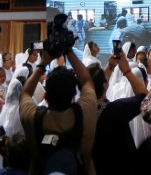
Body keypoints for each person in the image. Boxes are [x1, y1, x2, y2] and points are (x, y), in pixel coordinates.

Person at [18, 42, 96, 175]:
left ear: (45, 96)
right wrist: (69, 51)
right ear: (73, 97)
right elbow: (87, 81)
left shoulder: (32, 117)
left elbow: (25, 93)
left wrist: (43, 62)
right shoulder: (85, 112)